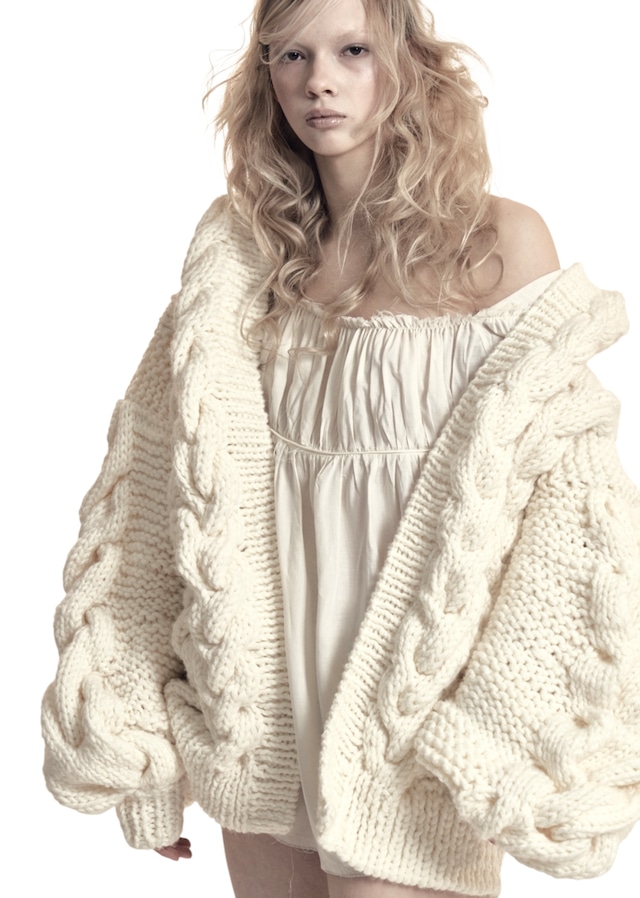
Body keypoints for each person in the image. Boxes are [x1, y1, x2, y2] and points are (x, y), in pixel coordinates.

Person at [41, 0, 640, 896]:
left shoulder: (498, 245)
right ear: (266, 77)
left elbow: (572, 513)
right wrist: (140, 751)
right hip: (260, 715)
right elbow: (159, 501)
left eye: (352, 50)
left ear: (408, 61)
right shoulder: (241, 260)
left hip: (411, 719)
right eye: (292, 55)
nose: (319, 81)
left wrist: (498, 734)